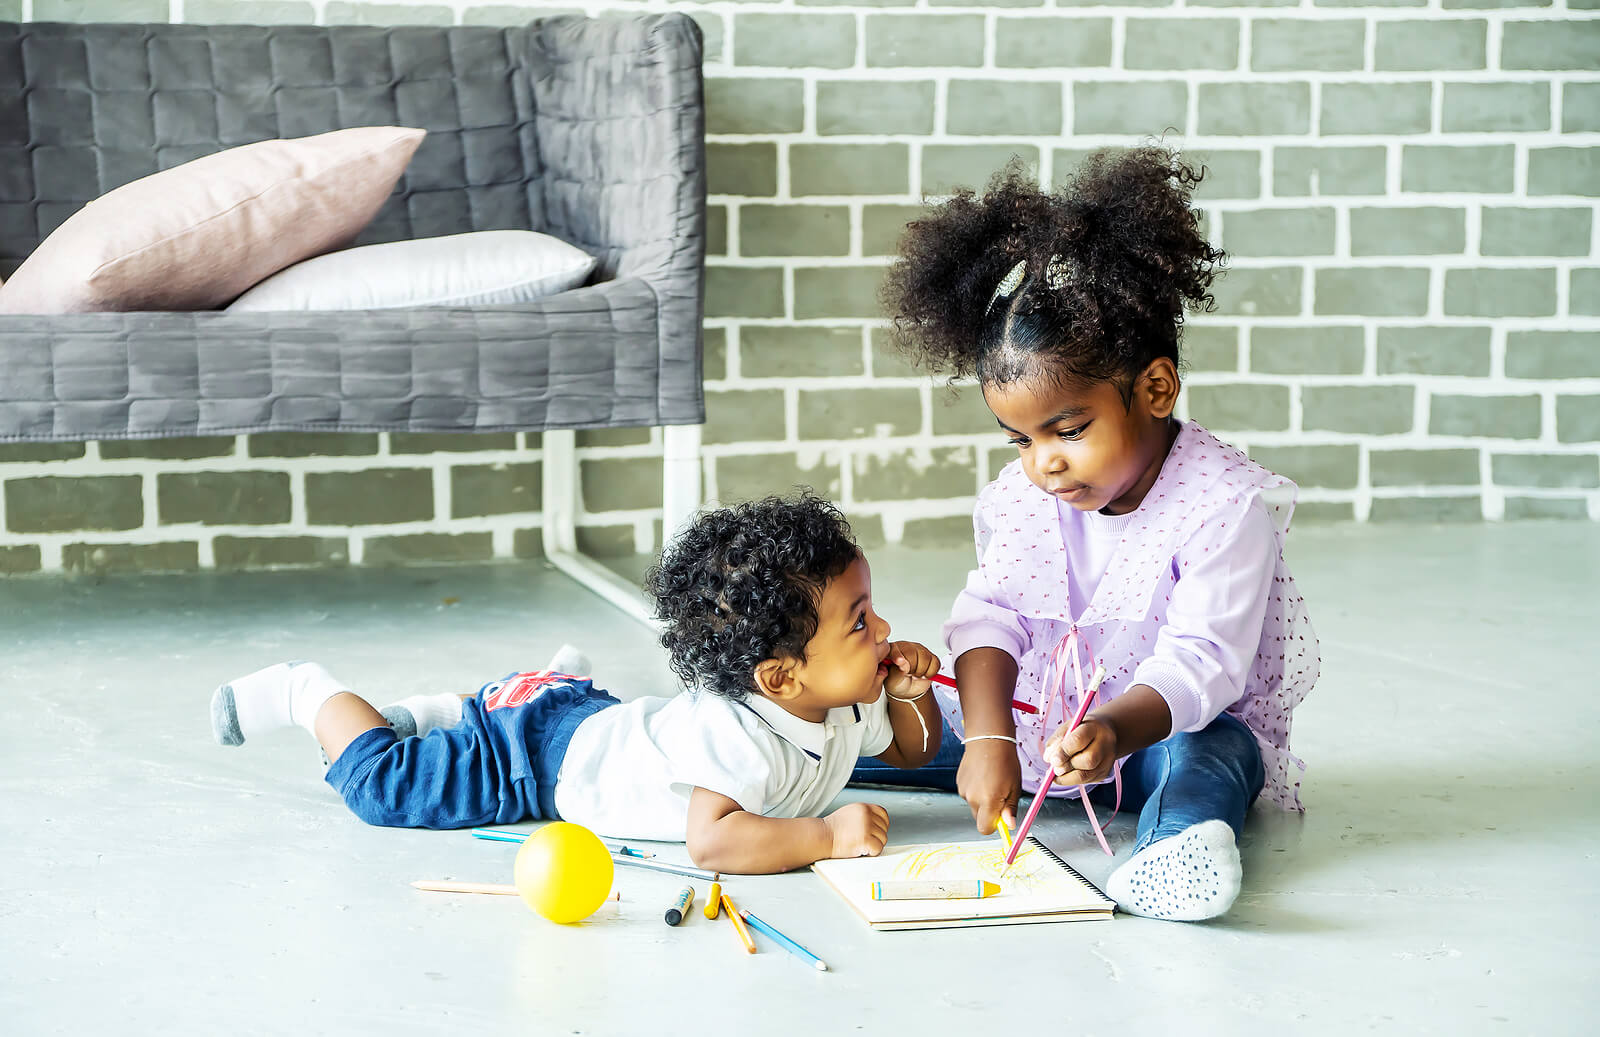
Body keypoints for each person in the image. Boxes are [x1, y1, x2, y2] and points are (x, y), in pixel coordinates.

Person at [855, 146, 1319, 920]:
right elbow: (990, 614)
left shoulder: (1223, 506)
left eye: (1068, 429)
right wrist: (991, 742)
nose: (1044, 464)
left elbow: (1203, 662)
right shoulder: (1027, 495)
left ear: (1156, 389)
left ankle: (1180, 845)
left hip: (1146, 737)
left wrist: (1109, 728)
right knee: (885, 723)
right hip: (1037, 726)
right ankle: (779, 760)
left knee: (1214, 754)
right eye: (1021, 440)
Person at [208, 493, 944, 875]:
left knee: (556, 710)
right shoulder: (739, 740)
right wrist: (825, 834)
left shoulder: (843, 700)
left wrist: (911, 696)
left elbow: (913, 752)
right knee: (388, 789)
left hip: (602, 725)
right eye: (860, 621)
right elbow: (713, 843)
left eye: (872, 610)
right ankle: (309, 692)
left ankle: (504, 696)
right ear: (780, 676)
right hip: (538, 761)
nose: (883, 631)